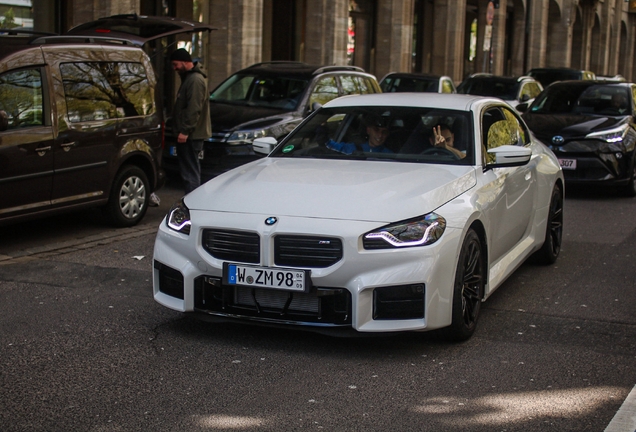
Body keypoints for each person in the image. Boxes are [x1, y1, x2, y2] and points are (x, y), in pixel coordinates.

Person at [170, 48, 212, 194]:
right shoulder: (190, 78)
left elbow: (194, 108)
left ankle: (192, 202)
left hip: (191, 135)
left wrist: (185, 131)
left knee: (190, 172)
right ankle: (191, 200)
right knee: (189, 170)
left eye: (176, 64)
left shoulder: (194, 80)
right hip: (190, 134)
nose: (174, 68)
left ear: (184, 62)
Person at [325, 113, 393, 154]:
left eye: (384, 132)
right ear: (368, 130)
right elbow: (331, 145)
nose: (380, 135)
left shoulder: (389, 155)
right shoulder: (353, 148)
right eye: (376, 130)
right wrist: (323, 136)